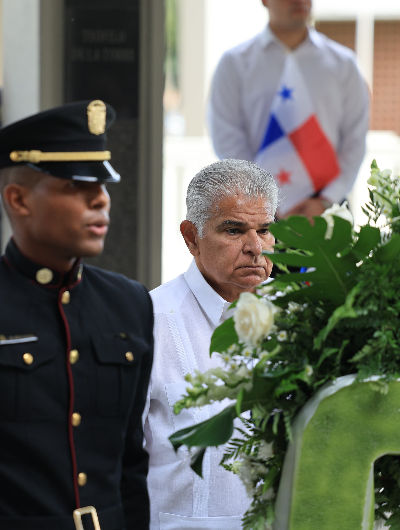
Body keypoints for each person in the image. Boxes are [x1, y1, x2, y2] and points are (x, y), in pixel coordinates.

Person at [0, 100, 153, 530]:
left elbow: (131, 464)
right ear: (19, 199)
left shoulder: (130, 303)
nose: (100, 198)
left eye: (103, 184)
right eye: (75, 185)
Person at [144, 159, 278, 530]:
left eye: (264, 230)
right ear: (191, 237)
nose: (255, 247)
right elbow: (114, 460)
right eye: (234, 230)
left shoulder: (298, 318)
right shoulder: (148, 321)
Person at [209, 0, 369, 220]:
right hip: (258, 213)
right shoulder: (234, 63)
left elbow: (355, 139)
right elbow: (227, 138)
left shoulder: (344, 64)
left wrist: (326, 200)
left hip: (328, 208)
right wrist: (264, 200)